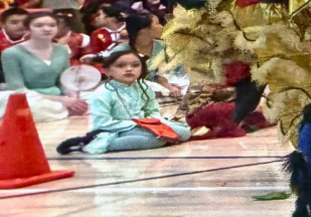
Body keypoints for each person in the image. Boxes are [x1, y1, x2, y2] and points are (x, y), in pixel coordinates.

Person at [57, 47, 200, 154]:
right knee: (152, 139)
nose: (129, 69)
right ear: (107, 71)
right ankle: (93, 143)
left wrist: (156, 124)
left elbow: (152, 111)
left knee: (184, 131)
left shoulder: (143, 87)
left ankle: (161, 137)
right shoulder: (103, 93)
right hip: (116, 131)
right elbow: (103, 123)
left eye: (135, 65)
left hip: (145, 126)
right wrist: (139, 125)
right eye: (121, 66)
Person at [2, 11, 89, 117]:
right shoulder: (11, 53)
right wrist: (62, 100)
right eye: (39, 25)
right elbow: (18, 89)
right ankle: (64, 110)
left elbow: (65, 80)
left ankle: (66, 109)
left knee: (92, 98)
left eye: (52, 25)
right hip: (28, 97)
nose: (47, 29)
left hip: (57, 95)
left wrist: (74, 98)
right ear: (28, 28)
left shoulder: (62, 50)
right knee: (30, 106)